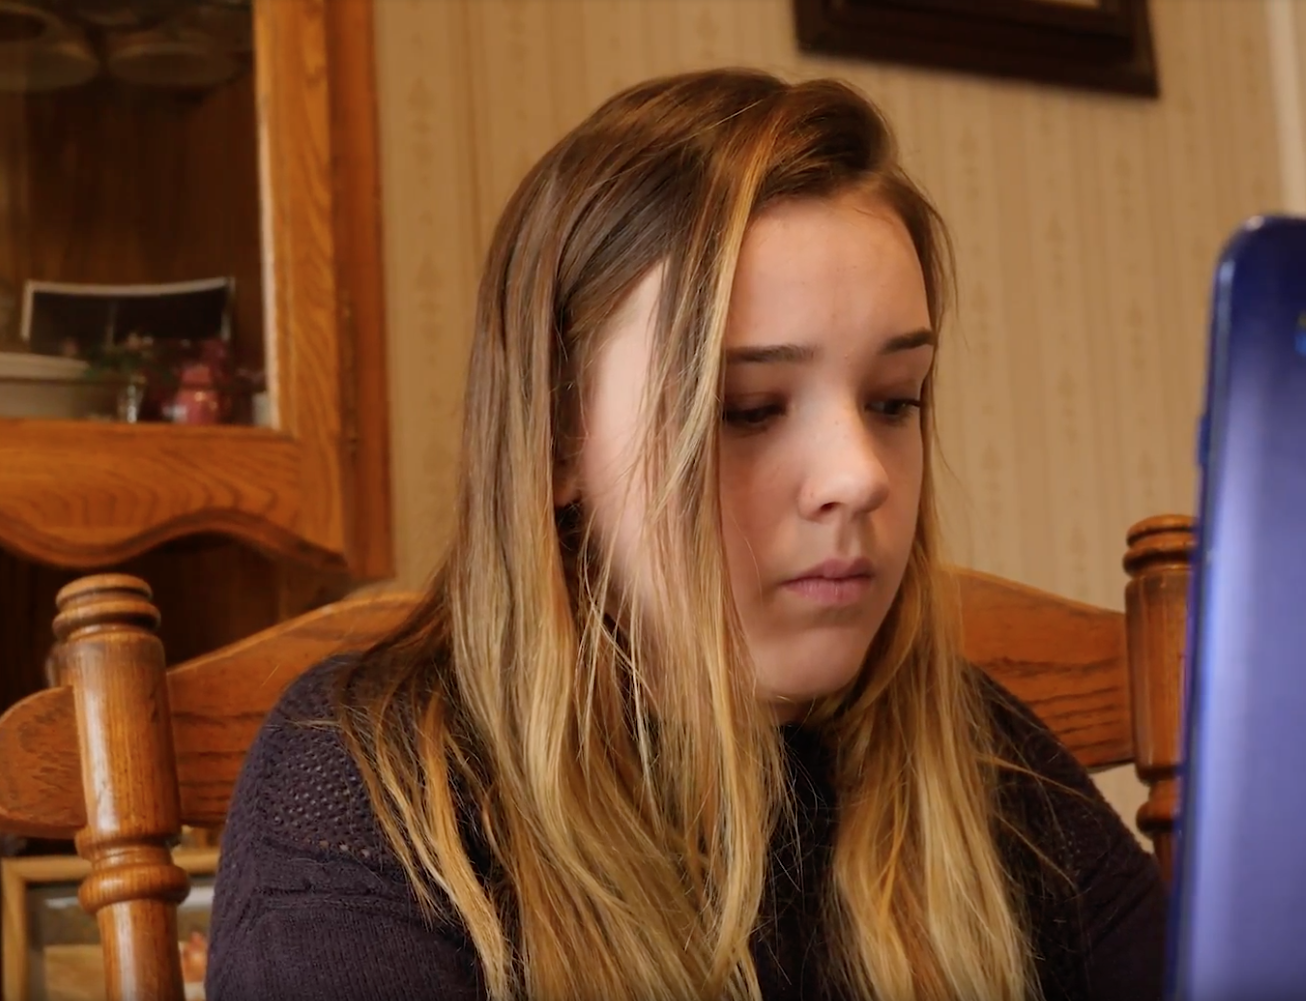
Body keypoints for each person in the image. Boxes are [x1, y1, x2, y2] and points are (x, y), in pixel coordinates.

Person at [206, 67, 1164, 1001]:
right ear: (556, 438)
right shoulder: (372, 791)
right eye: (748, 409)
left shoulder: (978, 757)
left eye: (893, 399)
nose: (862, 475)